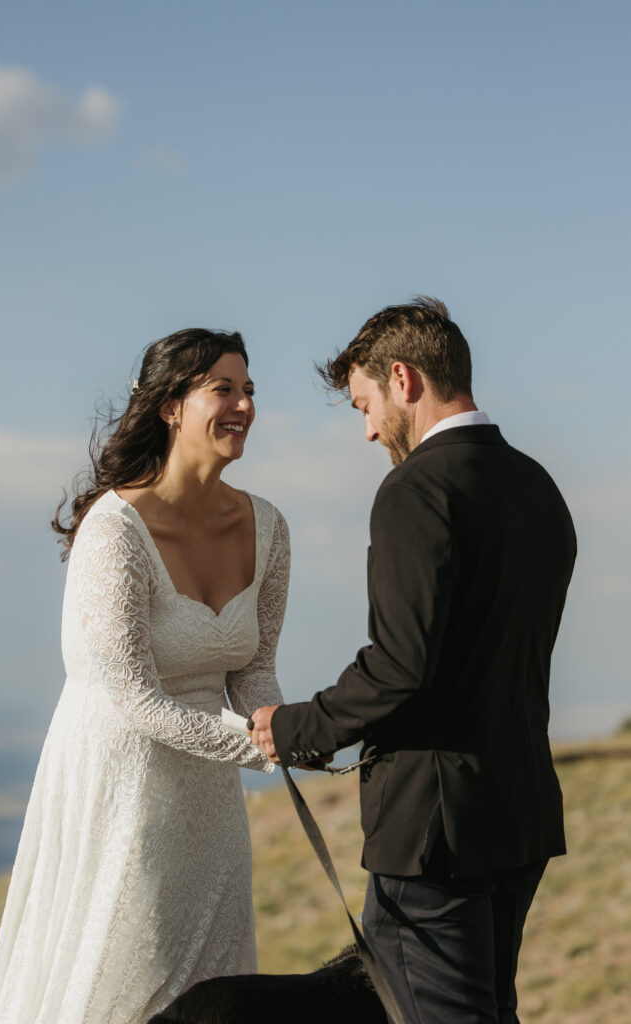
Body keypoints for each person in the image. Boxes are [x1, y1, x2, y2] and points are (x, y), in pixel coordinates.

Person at [249, 297, 576, 1024]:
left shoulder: (415, 490)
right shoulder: (538, 488)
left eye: (364, 405)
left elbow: (401, 665)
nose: (366, 429)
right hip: (515, 812)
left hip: (434, 834)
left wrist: (294, 727)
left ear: (402, 379)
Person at [0, 329, 289, 1024]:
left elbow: (255, 668)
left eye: (249, 391)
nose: (243, 405)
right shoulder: (113, 529)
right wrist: (263, 744)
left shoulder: (267, 526)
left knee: (214, 995)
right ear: (171, 407)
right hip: (123, 787)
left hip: (211, 808)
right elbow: (132, 698)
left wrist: (284, 724)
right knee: (124, 980)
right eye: (223, 389)